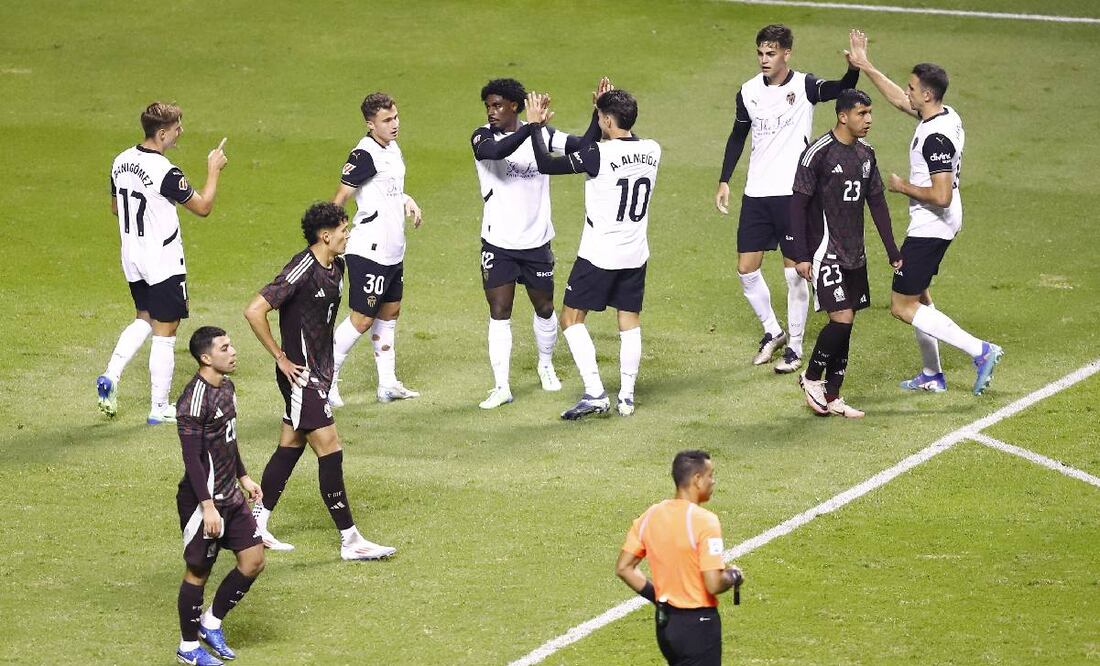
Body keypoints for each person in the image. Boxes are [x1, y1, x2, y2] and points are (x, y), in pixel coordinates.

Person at [845, 30, 1003, 395]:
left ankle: (980, 351)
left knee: (902, 305)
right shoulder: (944, 115)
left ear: (928, 95)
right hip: (938, 222)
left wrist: (902, 188)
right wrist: (865, 65)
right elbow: (900, 101)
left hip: (933, 225)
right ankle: (933, 374)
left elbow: (942, 195)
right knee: (920, 295)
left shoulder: (935, 139)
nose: (908, 92)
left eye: (913, 87)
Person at [243, 203, 396, 560]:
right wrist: (280, 357)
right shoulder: (302, 268)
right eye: (343, 229)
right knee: (330, 448)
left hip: (319, 375)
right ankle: (351, 540)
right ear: (325, 235)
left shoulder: (337, 266)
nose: (348, 234)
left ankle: (255, 527)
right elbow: (254, 310)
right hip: (301, 377)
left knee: (290, 446)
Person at [714, 25, 860, 374]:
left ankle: (794, 347)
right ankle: (772, 330)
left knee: (795, 274)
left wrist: (854, 67)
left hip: (795, 195)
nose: (765, 60)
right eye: (761, 53)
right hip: (756, 194)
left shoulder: (804, 86)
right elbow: (738, 136)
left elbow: (842, 89)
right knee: (746, 269)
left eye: (772, 53)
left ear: (786, 54)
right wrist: (724, 180)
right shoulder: (748, 91)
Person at [470, 78, 603, 409]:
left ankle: (546, 364)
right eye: (488, 106)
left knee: (544, 309)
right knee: (499, 311)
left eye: (498, 105)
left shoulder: (543, 134)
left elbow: (586, 144)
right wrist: (531, 127)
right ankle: (501, 386)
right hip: (498, 242)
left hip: (536, 242)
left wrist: (597, 113)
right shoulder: (482, 136)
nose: (492, 112)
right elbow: (496, 152)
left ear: (514, 105)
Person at [527, 89, 660, 419]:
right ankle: (626, 397)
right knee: (629, 322)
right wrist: (602, 111)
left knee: (571, 319)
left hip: (599, 254)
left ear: (608, 120)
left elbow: (545, 164)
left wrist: (533, 126)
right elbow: (621, 142)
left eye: (602, 117)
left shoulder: (597, 155)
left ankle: (596, 392)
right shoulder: (652, 149)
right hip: (635, 252)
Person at [98, 102, 227, 424]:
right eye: (177, 127)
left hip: (132, 255)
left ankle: (111, 375)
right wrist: (213, 169)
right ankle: (159, 407)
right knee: (166, 331)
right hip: (162, 257)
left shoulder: (121, 161)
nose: (181, 132)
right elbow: (204, 207)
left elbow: (116, 208)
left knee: (145, 316)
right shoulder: (165, 172)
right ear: (162, 133)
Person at [787, 89, 903, 418]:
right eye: (861, 113)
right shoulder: (818, 153)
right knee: (842, 319)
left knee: (847, 325)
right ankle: (811, 378)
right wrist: (800, 253)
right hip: (826, 251)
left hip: (856, 253)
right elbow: (797, 205)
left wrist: (892, 249)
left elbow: (877, 203)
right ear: (843, 116)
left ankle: (833, 394)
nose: (868, 120)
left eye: (869, 113)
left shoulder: (866, 155)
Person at [174, 326, 264, 666]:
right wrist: (208, 507)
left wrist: (243, 475)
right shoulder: (193, 399)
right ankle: (187, 648)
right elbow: (193, 458)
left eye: (231, 345)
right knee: (198, 571)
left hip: (230, 494)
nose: (233, 351)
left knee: (253, 560)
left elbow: (228, 438)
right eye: (225, 348)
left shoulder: (227, 387)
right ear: (206, 358)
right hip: (204, 501)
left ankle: (211, 624)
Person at [329, 92, 422, 408]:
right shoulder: (364, 154)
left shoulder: (392, 148)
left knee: (390, 313)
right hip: (369, 249)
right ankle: (323, 381)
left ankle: (387, 384)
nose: (394, 124)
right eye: (387, 120)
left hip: (393, 249)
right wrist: (329, 239)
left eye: (395, 117)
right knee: (362, 318)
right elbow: (340, 197)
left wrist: (407, 199)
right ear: (371, 124)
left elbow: (388, 187)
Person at [616, 450, 744, 666]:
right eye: (710, 475)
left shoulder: (650, 515)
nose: (713, 481)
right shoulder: (705, 521)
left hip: (666, 627)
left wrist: (657, 597)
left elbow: (624, 568)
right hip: (698, 627)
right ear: (697, 479)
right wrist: (733, 575)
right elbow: (713, 583)